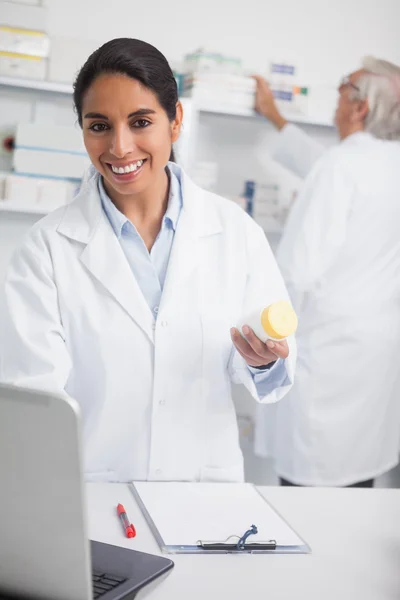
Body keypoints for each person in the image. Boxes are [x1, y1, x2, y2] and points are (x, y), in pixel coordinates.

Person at [0, 38, 295, 483]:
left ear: (175, 121)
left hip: (203, 493)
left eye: (140, 122)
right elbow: (35, 398)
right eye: (98, 126)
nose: (119, 147)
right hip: (94, 495)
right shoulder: (46, 249)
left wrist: (262, 360)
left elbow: (270, 371)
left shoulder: (235, 232)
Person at [253, 57, 400, 487]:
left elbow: (298, 271)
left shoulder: (340, 167)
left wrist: (263, 337)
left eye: (342, 86)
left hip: (328, 351)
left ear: (360, 108)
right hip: (374, 353)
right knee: (357, 481)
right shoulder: (383, 164)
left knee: (312, 487)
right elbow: (330, 169)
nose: (335, 97)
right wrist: (277, 119)